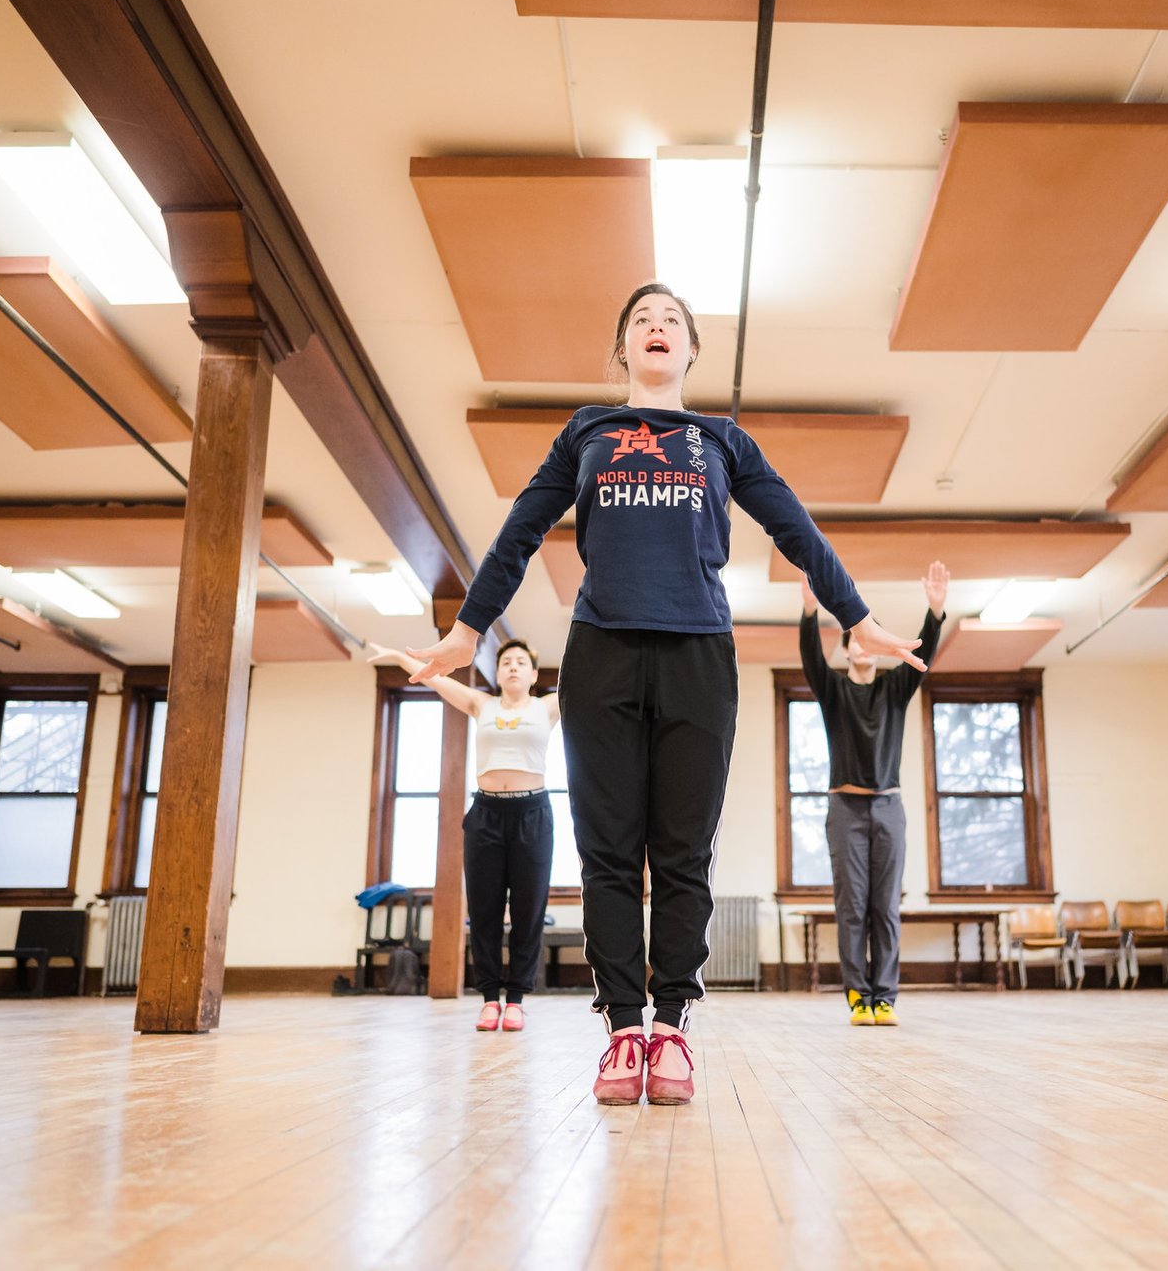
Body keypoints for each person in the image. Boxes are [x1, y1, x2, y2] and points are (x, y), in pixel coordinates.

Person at [404, 282, 925, 1106]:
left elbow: (795, 527)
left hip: (698, 657)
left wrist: (855, 617)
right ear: (622, 350)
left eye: (671, 322)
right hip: (602, 652)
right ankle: (620, 1032)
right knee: (608, 850)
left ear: (689, 353)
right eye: (641, 320)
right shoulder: (587, 432)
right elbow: (519, 531)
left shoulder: (722, 441)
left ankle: (674, 1027)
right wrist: (468, 634)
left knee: (682, 852)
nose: (656, 328)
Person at [367, 637, 557, 1034]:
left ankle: (517, 1000)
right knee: (485, 910)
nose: (513, 667)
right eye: (506, 662)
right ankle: (490, 999)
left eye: (522, 662)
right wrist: (402, 654)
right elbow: (435, 679)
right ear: (498, 673)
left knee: (528, 910)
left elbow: (588, 680)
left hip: (533, 813)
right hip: (486, 813)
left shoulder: (548, 707)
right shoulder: (480, 704)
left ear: (534, 675)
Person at [800, 562, 948, 1026]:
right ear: (845, 651)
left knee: (885, 907)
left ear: (879, 651)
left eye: (869, 639)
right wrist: (809, 611)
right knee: (852, 906)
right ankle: (857, 996)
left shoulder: (894, 689)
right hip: (845, 807)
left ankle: (885, 997)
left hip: (888, 807)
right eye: (854, 640)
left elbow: (923, 659)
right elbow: (810, 659)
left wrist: (936, 612)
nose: (862, 644)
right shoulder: (833, 692)